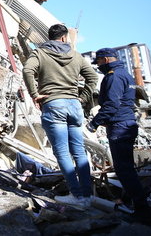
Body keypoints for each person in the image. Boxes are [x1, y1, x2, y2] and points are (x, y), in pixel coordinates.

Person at [22, 24, 98, 208]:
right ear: (64, 38)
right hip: (74, 106)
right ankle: (87, 195)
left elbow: (27, 70)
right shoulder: (76, 56)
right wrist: (83, 98)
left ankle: (77, 196)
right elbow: (93, 77)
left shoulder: (40, 53)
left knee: (62, 152)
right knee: (79, 152)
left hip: (53, 104)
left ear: (50, 37)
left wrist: (34, 94)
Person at [86, 48, 151, 225]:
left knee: (124, 170)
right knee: (127, 169)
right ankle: (131, 201)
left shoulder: (114, 76)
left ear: (106, 59)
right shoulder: (125, 74)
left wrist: (94, 123)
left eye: (99, 62)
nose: (98, 66)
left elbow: (112, 104)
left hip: (120, 127)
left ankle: (143, 212)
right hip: (126, 124)